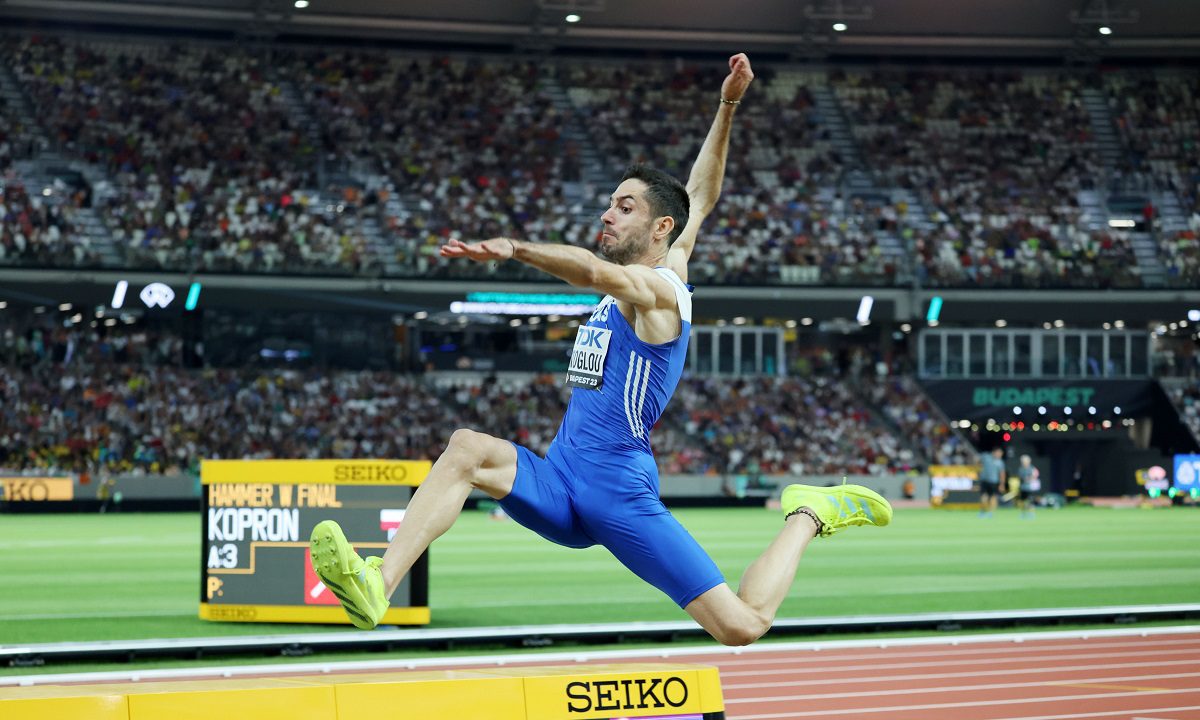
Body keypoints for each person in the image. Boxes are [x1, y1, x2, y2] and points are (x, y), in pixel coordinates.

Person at [309, 53, 892, 647]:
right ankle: (377, 584)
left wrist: (515, 248)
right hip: (561, 477)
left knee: (742, 625)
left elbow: (593, 270)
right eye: (611, 203)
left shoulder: (660, 292)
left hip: (617, 490)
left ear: (661, 229)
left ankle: (808, 512)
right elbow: (699, 193)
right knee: (466, 448)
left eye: (624, 207)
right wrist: (728, 104)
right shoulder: (669, 251)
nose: (607, 214)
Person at [978, 447, 1005, 518]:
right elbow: (978, 461)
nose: (1000, 455)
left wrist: (1002, 484)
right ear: (994, 452)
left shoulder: (1000, 462)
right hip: (984, 480)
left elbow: (1002, 473)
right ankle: (983, 511)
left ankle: (990, 512)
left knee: (993, 497)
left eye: (1001, 454)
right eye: (999, 453)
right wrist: (979, 469)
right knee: (984, 497)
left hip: (994, 482)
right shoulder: (986, 457)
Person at [1016, 454, 1040, 519]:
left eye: (1025, 461)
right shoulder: (1021, 469)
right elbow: (1020, 477)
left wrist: (1029, 478)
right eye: (1023, 461)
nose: (1024, 463)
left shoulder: (1032, 469)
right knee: (1022, 501)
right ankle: (1023, 513)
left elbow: (1035, 476)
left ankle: (1031, 513)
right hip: (1023, 487)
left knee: (1030, 501)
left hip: (1030, 488)